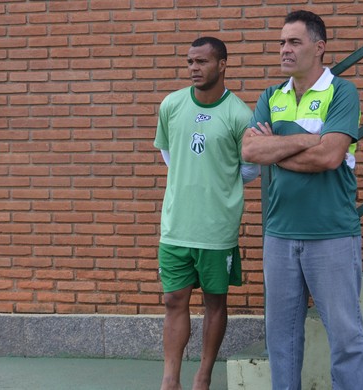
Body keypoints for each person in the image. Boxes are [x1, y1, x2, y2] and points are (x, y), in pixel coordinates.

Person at [241, 10, 363, 390]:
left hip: (332, 235)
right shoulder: (272, 95)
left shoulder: (342, 92)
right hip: (279, 235)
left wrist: (277, 147)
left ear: (319, 47)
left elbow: (330, 157)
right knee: (281, 341)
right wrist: (306, 139)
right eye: (282, 42)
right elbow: (250, 151)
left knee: (347, 340)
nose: (285, 49)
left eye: (294, 42)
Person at [154, 36, 258, 390]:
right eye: (190, 62)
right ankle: (170, 380)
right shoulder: (171, 105)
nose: (194, 69)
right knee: (173, 300)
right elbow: (170, 155)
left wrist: (216, 186)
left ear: (222, 64)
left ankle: (203, 376)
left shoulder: (240, 115)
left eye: (202, 62)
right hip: (175, 225)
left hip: (216, 229)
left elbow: (249, 170)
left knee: (215, 302)